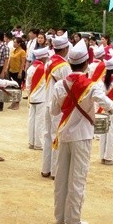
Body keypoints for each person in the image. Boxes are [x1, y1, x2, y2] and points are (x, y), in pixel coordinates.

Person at [50, 39, 113, 224]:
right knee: (77, 178)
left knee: (61, 177)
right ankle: (73, 220)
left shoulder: (60, 85)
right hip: (82, 135)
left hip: (64, 134)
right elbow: (108, 104)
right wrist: (106, 110)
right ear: (87, 63)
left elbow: (54, 111)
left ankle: (60, 217)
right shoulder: (92, 85)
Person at [41, 35, 71, 178]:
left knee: (47, 135)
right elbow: (69, 85)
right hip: (57, 104)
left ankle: (46, 168)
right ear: (65, 48)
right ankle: (55, 170)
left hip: (48, 101)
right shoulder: (63, 66)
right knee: (55, 135)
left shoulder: (49, 61)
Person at [26, 46, 49, 150]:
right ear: (43, 57)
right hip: (41, 97)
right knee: (40, 121)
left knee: (32, 120)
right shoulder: (44, 68)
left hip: (32, 96)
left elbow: (28, 84)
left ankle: (31, 142)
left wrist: (30, 94)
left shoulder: (31, 68)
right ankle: (38, 144)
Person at [7, 37, 27, 110]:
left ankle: (17, 103)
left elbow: (23, 62)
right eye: (13, 42)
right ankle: (13, 102)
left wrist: (20, 72)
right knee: (12, 87)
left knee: (17, 88)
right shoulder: (12, 50)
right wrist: (7, 68)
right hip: (11, 70)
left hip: (18, 71)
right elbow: (9, 60)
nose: (14, 44)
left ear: (19, 44)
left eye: (15, 42)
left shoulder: (22, 52)